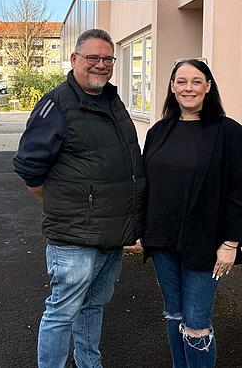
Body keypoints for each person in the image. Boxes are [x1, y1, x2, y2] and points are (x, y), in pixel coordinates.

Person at [12, 28, 145, 368]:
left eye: (107, 59)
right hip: (74, 238)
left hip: (110, 237)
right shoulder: (57, 104)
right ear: (74, 60)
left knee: (92, 308)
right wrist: (61, 203)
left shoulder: (112, 101)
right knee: (62, 312)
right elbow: (29, 166)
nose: (100, 65)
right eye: (92, 58)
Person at [141, 58, 242, 367]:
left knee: (196, 326)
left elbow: (240, 192)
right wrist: (138, 230)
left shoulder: (229, 133)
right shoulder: (158, 132)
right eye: (181, 81)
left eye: (195, 81)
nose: (188, 87)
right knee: (174, 315)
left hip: (206, 242)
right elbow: (146, 185)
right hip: (162, 240)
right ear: (172, 87)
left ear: (208, 86)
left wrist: (232, 242)